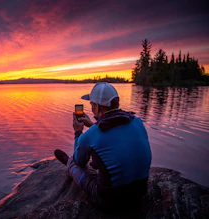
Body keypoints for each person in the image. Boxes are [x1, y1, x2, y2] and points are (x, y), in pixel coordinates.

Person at [54, 82, 152, 210]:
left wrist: (78, 132)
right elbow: (115, 133)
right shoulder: (137, 122)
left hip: (110, 200)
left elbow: (80, 161)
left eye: (92, 104)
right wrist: (93, 125)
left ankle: (68, 163)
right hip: (140, 193)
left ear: (98, 107)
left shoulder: (91, 135)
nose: (92, 108)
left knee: (75, 162)